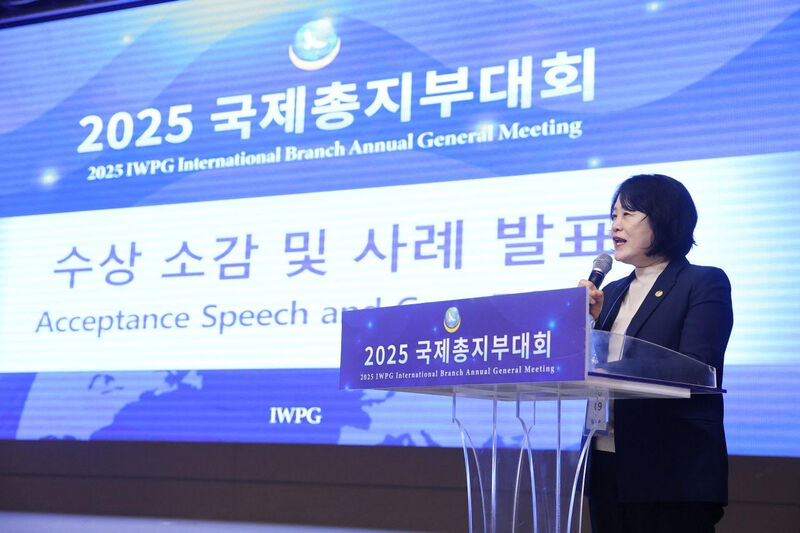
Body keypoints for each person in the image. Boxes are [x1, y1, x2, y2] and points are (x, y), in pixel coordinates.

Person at [579, 174, 733, 533]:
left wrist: (611, 368)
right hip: (606, 462)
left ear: (664, 217)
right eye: (613, 216)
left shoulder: (703, 282)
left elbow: (698, 367)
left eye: (628, 214)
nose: (615, 226)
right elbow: (590, 367)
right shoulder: (611, 292)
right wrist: (586, 323)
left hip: (671, 468)